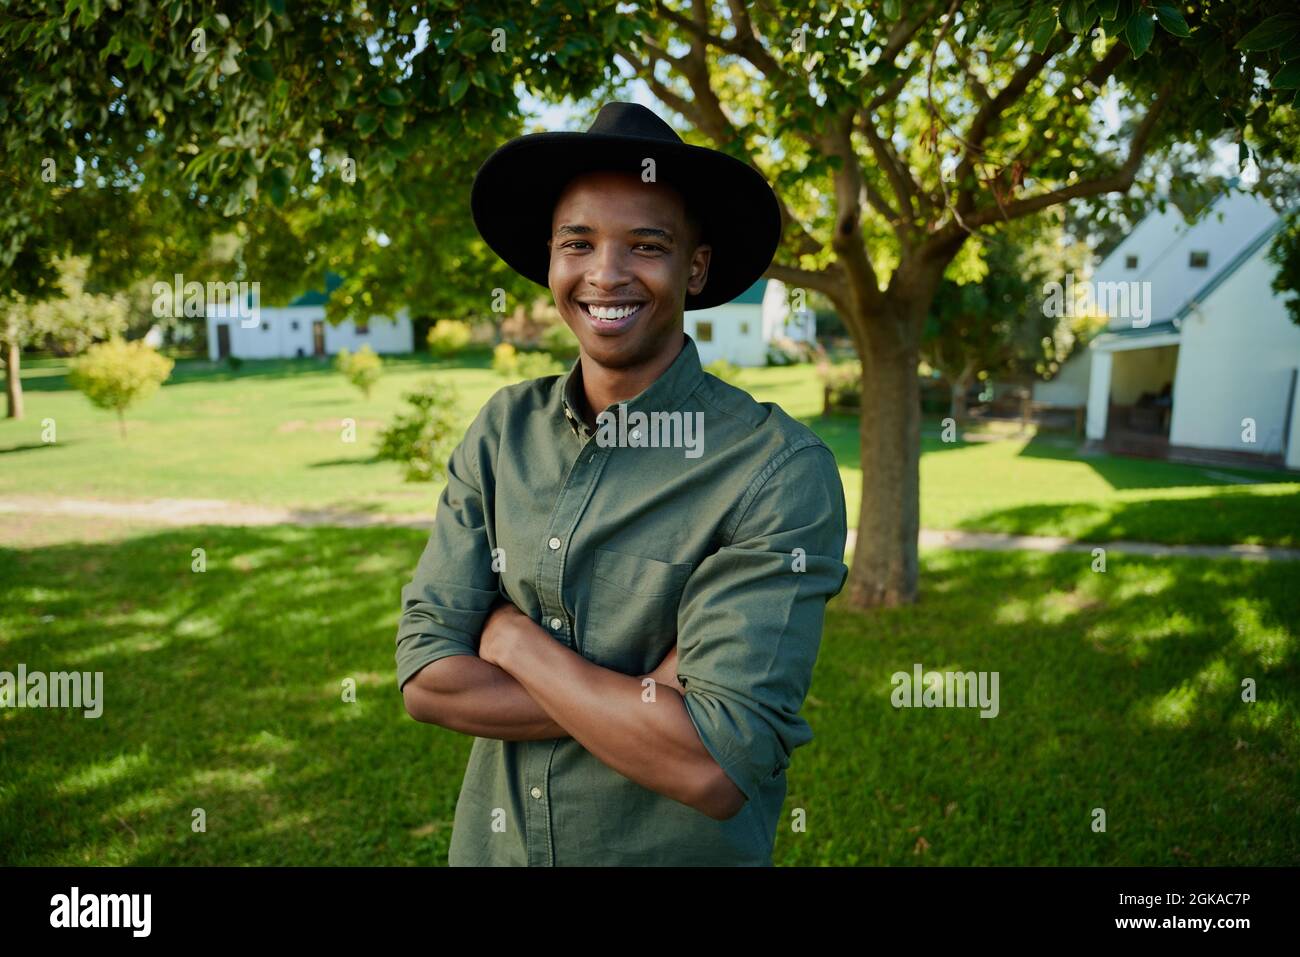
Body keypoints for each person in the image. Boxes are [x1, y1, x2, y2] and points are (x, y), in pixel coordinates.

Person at [395, 101, 849, 866]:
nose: (606, 274)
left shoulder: (775, 470)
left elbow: (710, 762)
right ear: (551, 258)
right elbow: (428, 681)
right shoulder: (503, 431)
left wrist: (509, 638)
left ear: (695, 267)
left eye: (646, 245)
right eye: (579, 242)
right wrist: (648, 692)